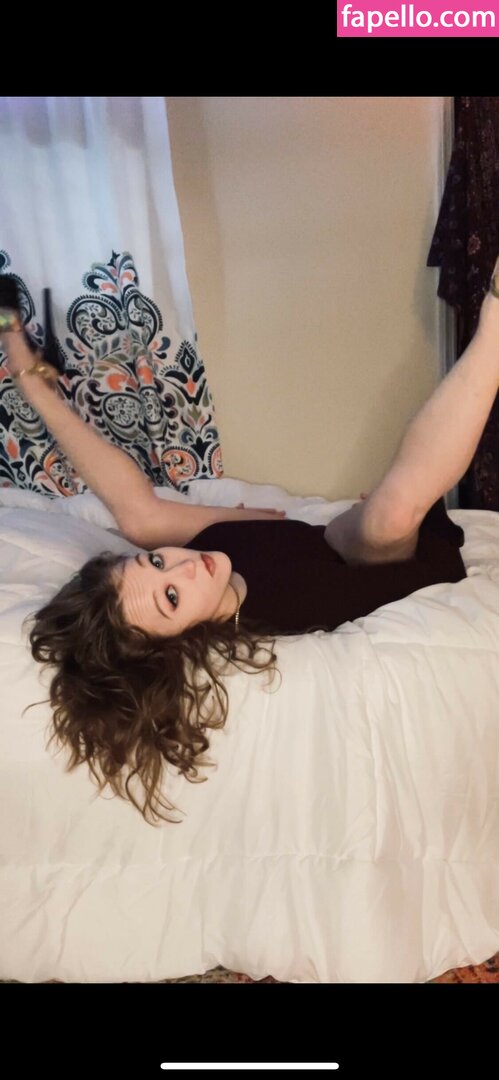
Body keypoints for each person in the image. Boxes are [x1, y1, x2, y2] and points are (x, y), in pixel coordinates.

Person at [1, 261, 499, 825]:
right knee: (390, 516)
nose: (184, 568)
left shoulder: (212, 549)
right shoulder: (259, 624)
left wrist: (33, 385)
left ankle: (27, 375)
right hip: (394, 561)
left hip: (336, 539)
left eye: (157, 562)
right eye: (171, 597)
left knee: (144, 521)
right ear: (178, 641)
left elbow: (136, 510)